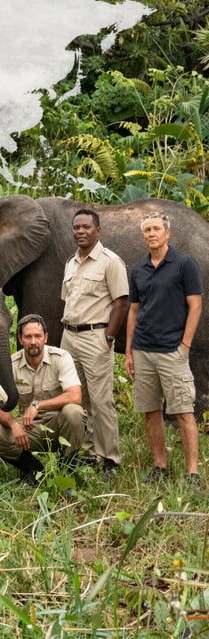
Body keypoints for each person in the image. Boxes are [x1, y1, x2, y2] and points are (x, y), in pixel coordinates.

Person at [125, 211, 203, 487]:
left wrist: (185, 345)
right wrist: (129, 351)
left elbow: (195, 306)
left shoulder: (184, 265)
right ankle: (160, 465)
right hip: (144, 350)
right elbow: (134, 311)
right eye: (147, 230)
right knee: (151, 410)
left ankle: (192, 472)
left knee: (183, 411)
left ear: (167, 233)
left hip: (173, 350)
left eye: (156, 229)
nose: (152, 234)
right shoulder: (138, 269)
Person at [60, 209, 128, 479]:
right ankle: (87, 453)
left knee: (102, 401)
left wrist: (109, 336)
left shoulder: (110, 262)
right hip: (69, 336)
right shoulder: (70, 263)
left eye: (86, 227)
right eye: (76, 227)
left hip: (95, 337)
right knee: (78, 398)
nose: (80, 231)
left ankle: (110, 458)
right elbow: (67, 301)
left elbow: (121, 301)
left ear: (97, 231)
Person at [0, 314, 86, 485]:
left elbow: (75, 396)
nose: (33, 341)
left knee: (74, 411)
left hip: (59, 425)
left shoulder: (61, 358)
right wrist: (14, 425)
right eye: (28, 337)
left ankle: (67, 469)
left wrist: (38, 405)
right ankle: (33, 468)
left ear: (45, 337)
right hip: (30, 428)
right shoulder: (11, 365)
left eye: (37, 336)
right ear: (20, 339)